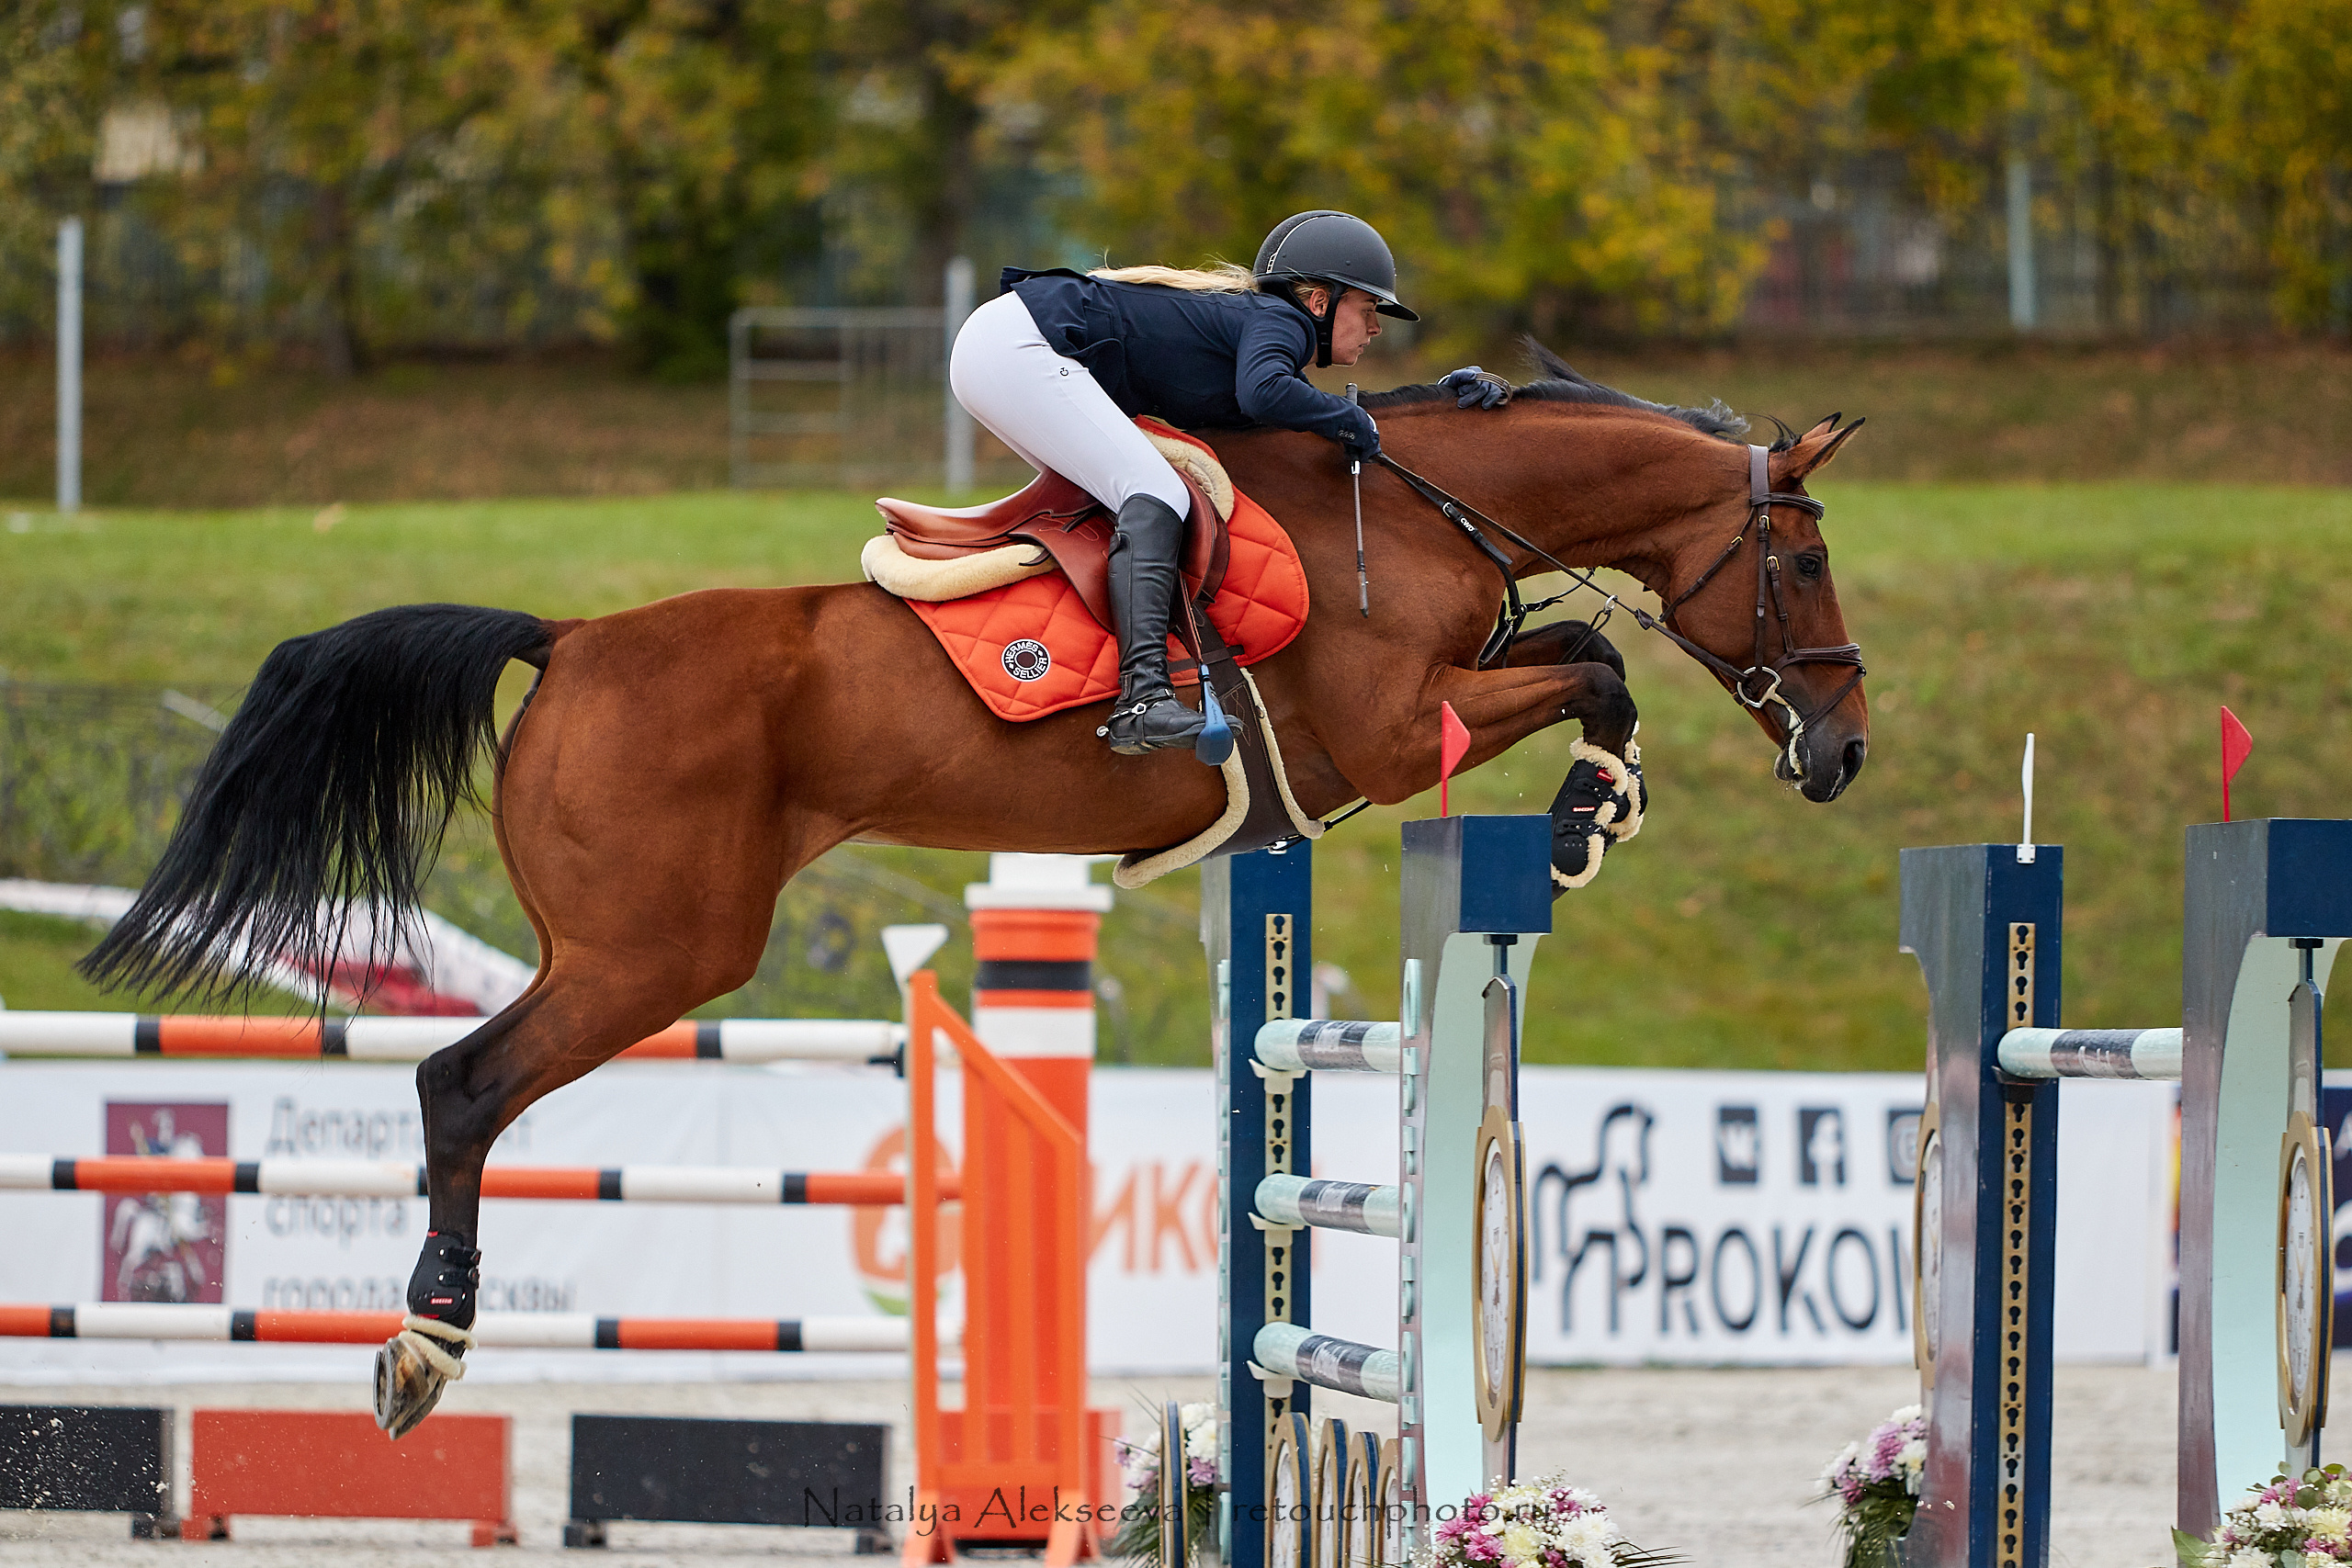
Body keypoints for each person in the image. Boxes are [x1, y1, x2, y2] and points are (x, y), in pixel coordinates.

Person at [950, 209, 1509, 757]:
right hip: (1022, 348)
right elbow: (1269, 395)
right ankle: (1142, 698)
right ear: (1319, 301)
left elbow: (1281, 411)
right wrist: (1352, 421)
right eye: (1367, 309)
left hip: (1005, 346)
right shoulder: (1279, 321)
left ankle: (1075, 668)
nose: (1375, 328)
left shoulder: (1255, 334)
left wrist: (1438, 397)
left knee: (1117, 500)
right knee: (1156, 493)